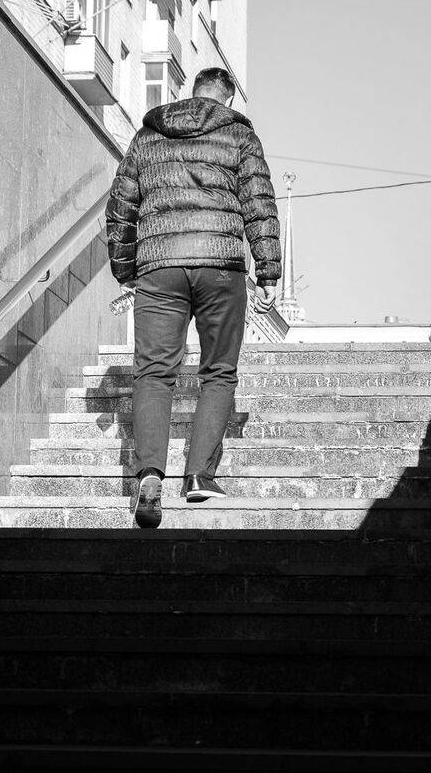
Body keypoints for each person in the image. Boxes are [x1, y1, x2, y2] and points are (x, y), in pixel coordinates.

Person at [105, 67, 282, 528]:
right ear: (227, 99)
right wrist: (268, 270)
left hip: (159, 267)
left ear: (193, 92)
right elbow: (259, 204)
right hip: (220, 266)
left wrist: (125, 269)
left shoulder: (149, 135)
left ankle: (149, 475)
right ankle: (200, 474)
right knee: (218, 371)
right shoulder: (239, 135)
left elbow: (120, 207)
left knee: (153, 373)